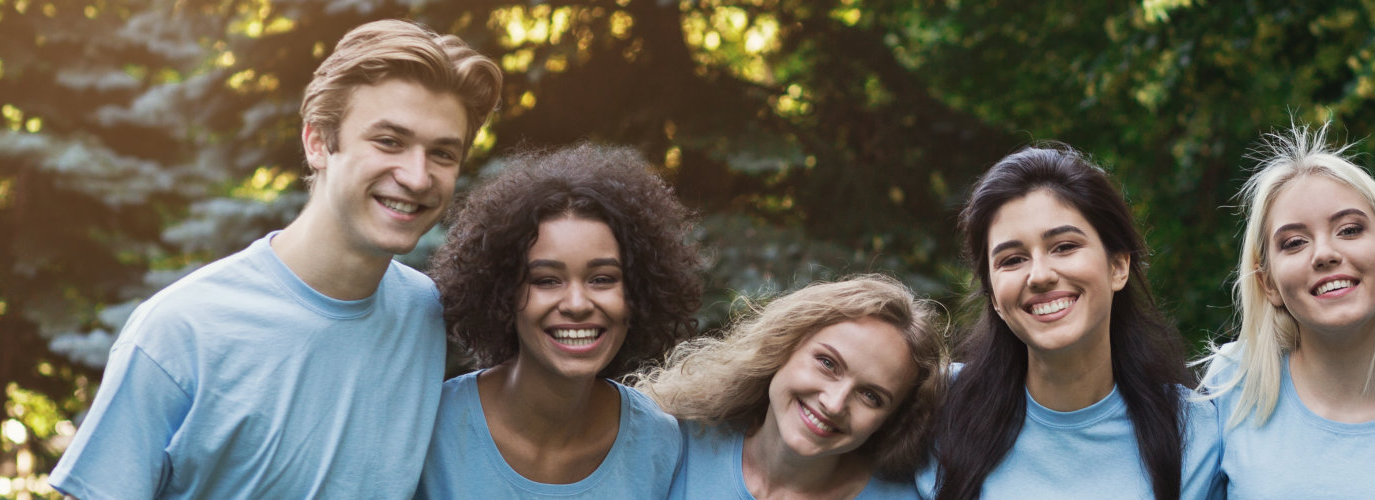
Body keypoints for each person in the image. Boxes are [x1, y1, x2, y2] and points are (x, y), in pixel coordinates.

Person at [47, 19, 501, 498]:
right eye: (389, 141)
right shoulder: (180, 331)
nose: (416, 175)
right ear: (318, 142)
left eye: (443, 154)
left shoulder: (424, 312)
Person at [922, 145, 1224, 500]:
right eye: (1012, 259)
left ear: (1118, 266)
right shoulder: (932, 409)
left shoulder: (1197, 432)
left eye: (1064, 247)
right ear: (993, 296)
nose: (1039, 275)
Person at [1198, 123, 1375, 498]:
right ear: (1268, 284)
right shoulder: (1232, 388)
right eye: (1295, 242)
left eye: (1348, 230)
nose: (1325, 254)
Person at [415, 143, 704, 498]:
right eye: (546, 280)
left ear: (639, 294)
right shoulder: (432, 426)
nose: (577, 304)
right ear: (502, 294)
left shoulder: (658, 443)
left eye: (602, 279)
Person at [635, 274, 945, 500]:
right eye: (828, 363)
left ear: (890, 421)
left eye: (871, 396)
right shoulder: (675, 440)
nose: (834, 404)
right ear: (782, 347)